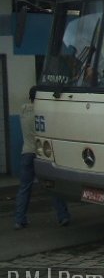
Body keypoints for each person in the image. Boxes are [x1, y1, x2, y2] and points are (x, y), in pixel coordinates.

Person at [14, 86, 70, 230]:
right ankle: (63, 216)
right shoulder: (44, 112)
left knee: (24, 188)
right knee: (53, 186)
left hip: (27, 152)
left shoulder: (23, 110)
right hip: (42, 153)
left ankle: (19, 219)